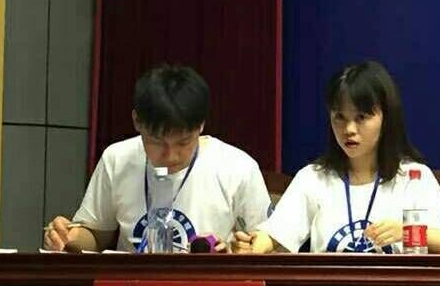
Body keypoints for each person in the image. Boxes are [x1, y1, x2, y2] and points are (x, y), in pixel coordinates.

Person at [233, 61, 440, 255]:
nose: (349, 129)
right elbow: (273, 236)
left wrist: (406, 231)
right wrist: (252, 246)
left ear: (386, 118)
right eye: (340, 117)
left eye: (361, 117)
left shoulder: (413, 177)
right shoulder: (313, 178)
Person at [44, 65, 272, 253]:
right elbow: (96, 235)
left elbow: (267, 245)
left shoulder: (238, 167)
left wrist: (237, 251)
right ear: (137, 121)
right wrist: (68, 238)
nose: (170, 156)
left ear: (201, 125)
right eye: (156, 142)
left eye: (183, 143)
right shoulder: (117, 158)